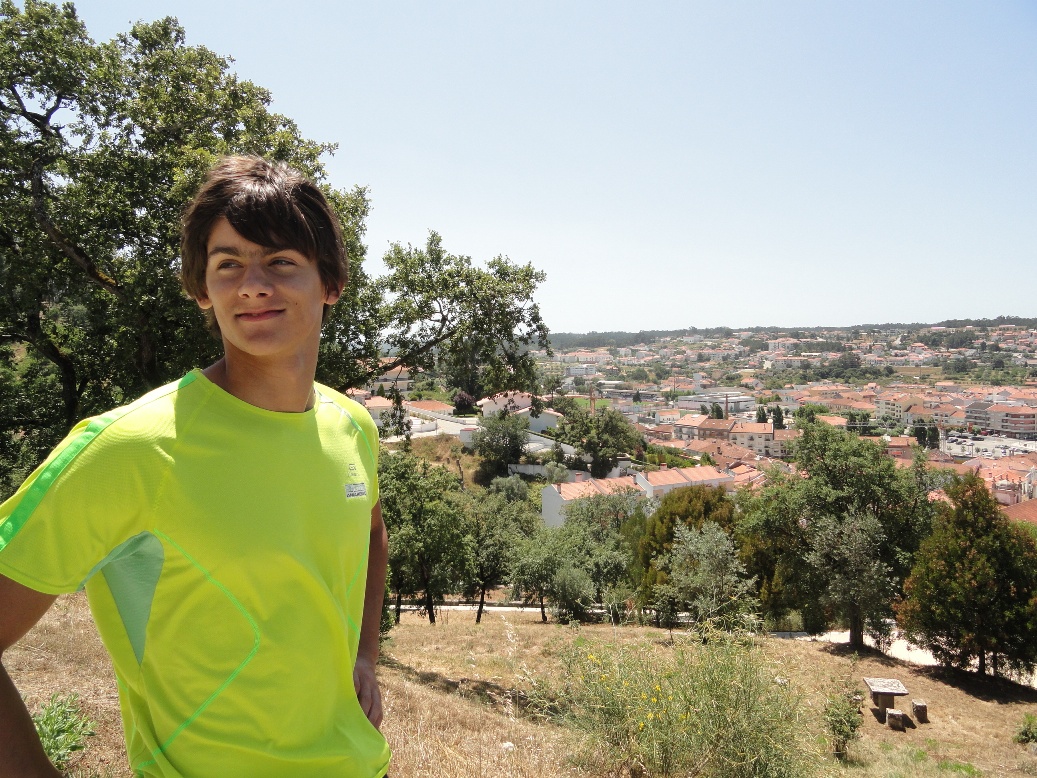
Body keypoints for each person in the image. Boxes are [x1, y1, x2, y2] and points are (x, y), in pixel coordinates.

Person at [0, 156, 391, 777]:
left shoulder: (351, 425)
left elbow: (369, 529)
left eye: (280, 261)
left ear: (330, 282)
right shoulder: (130, 449)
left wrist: (365, 654)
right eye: (228, 264)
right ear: (202, 289)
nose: (252, 285)